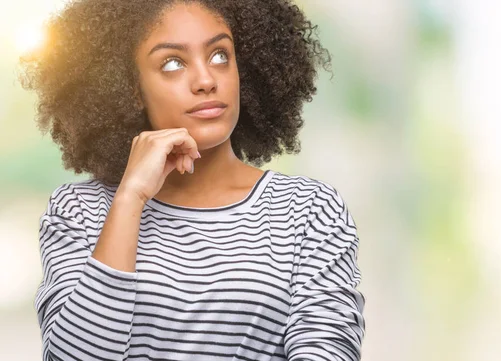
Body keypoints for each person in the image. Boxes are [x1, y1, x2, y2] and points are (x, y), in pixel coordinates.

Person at [18, 0, 366, 360]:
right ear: (131, 89)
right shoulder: (80, 212)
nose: (205, 80)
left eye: (219, 56)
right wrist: (130, 198)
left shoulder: (308, 211)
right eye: (172, 63)